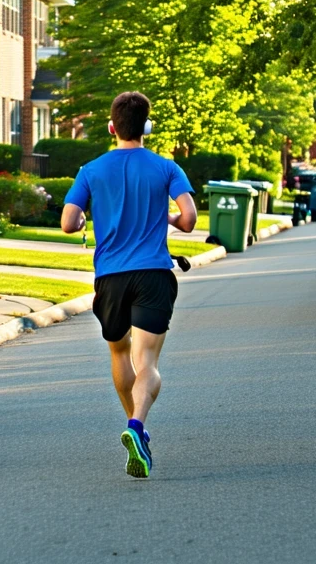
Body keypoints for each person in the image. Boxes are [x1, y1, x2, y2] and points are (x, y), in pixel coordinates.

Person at [61, 92, 197, 479]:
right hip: (153, 274)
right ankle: (136, 425)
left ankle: (135, 426)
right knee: (148, 363)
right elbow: (188, 219)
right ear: (147, 128)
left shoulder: (90, 170)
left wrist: (87, 222)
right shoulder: (167, 168)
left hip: (111, 279)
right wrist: (168, 220)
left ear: (111, 127)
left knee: (121, 355)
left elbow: (69, 223)